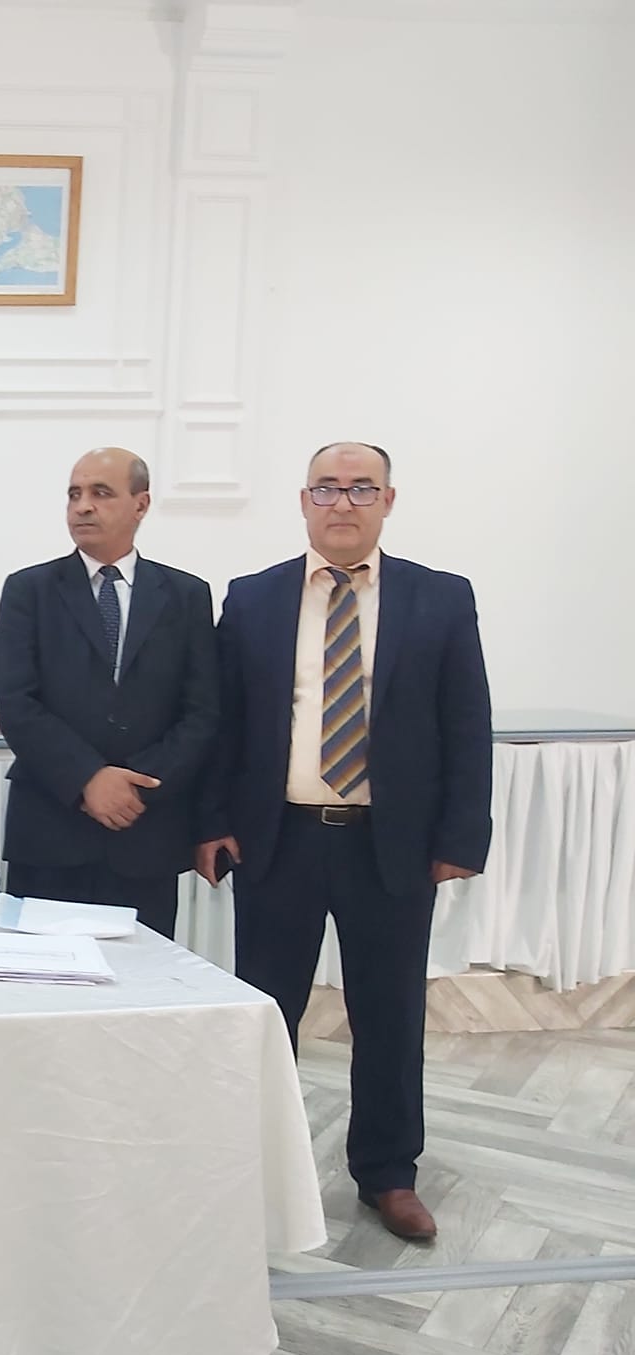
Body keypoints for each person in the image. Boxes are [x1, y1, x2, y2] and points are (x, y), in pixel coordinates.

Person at [196, 443, 492, 1243]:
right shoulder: (254, 598)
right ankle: (257, 1171)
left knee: (389, 1017)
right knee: (268, 1014)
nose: (343, 503)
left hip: (389, 845)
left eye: (362, 488)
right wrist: (213, 822)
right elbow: (225, 723)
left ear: (388, 501)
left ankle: (388, 1174)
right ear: (304, 501)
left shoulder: (440, 597)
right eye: (327, 488)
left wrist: (462, 834)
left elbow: (467, 722)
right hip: (279, 842)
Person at [0, 448, 218, 938]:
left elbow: (201, 713)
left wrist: (134, 785)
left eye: (101, 493)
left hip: (145, 832)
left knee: (142, 978)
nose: (83, 506)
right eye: (74, 494)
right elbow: (17, 704)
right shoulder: (29, 591)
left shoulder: (186, 596)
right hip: (51, 830)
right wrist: (88, 779)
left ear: (141, 504)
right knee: (42, 979)